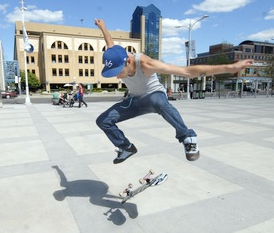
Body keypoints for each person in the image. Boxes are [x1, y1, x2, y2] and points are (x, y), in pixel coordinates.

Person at [95, 19, 254, 164]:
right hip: (135, 101)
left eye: (119, 72)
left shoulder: (146, 64)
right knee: (103, 121)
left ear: (128, 61)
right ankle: (126, 147)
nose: (117, 76)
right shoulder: (115, 55)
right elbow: (110, 42)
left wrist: (229, 68)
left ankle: (188, 137)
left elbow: (187, 71)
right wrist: (103, 27)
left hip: (154, 96)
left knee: (157, 101)